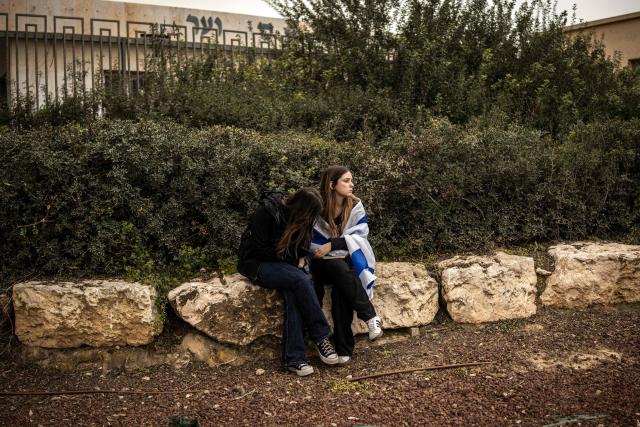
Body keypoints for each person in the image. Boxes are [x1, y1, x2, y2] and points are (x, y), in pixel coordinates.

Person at [237, 188, 339, 376]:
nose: (311, 220)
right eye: (310, 215)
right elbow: (259, 251)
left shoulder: (302, 218)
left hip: (285, 265)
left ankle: (294, 359)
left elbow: (302, 247)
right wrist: (294, 261)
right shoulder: (267, 212)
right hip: (257, 264)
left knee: (295, 292)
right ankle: (321, 336)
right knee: (300, 280)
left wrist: (301, 257)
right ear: (301, 208)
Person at [310, 166, 383, 365]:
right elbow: (308, 239)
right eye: (346, 181)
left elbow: (360, 237)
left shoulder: (355, 206)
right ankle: (370, 316)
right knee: (339, 269)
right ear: (332, 185)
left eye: (351, 180)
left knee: (342, 282)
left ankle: (344, 349)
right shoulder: (316, 207)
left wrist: (332, 245)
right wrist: (324, 249)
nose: (351, 184)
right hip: (318, 264)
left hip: (342, 262)